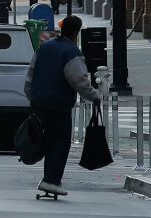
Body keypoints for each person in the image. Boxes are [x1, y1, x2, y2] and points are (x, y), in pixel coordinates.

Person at [24, 14, 101, 196]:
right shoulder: (71, 52)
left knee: (48, 140)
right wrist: (95, 96)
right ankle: (52, 181)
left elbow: (30, 75)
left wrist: (32, 97)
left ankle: (49, 179)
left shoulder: (43, 48)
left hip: (39, 102)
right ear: (76, 32)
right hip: (58, 106)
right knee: (60, 142)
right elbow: (79, 80)